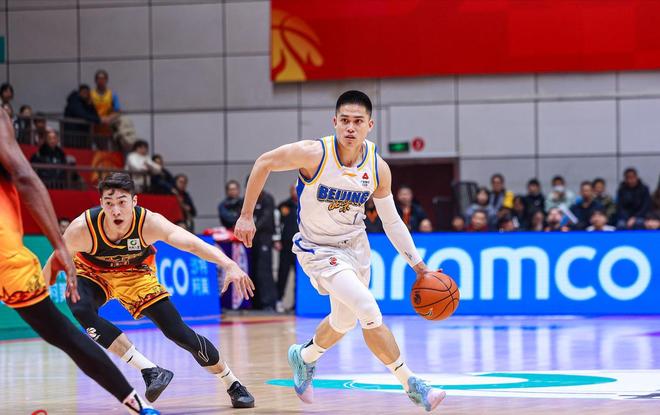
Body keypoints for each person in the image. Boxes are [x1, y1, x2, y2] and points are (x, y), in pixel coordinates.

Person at [234, 90, 445, 411]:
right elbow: (264, 162)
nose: (350, 127)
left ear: (370, 125)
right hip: (318, 249)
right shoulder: (313, 154)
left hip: (355, 248)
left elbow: (392, 222)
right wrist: (246, 214)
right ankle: (412, 384)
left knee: (344, 322)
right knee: (368, 308)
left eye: (358, 121)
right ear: (334, 121)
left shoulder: (377, 167)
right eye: (344, 120)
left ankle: (304, 357)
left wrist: (419, 266)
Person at [43, 172, 255, 408]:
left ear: (134, 201)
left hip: (136, 275)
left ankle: (232, 382)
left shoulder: (148, 223)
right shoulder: (82, 228)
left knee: (178, 333)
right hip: (93, 273)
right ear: (101, 203)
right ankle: (150, 370)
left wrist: (229, 264)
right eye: (109, 203)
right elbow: (55, 261)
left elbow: (193, 244)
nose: (116, 211)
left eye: (122, 202)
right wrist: (36, 295)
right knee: (80, 308)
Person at [0, 110, 159, 414]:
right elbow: (25, 177)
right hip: (4, 253)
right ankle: (137, 405)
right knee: (63, 333)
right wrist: (59, 246)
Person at [249, 178, 277, 310]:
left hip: (265, 238)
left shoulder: (267, 199)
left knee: (264, 271)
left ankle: (269, 303)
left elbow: (266, 218)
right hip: (252, 240)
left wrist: (252, 227)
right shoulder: (249, 199)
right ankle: (256, 303)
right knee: (253, 271)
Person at [274, 184, 299, 312]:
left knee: (299, 276)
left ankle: (297, 303)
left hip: (301, 246)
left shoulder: (306, 203)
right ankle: (279, 300)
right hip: (286, 245)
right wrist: (277, 239)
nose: (295, 191)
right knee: (283, 273)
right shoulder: (284, 206)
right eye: (293, 189)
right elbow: (277, 224)